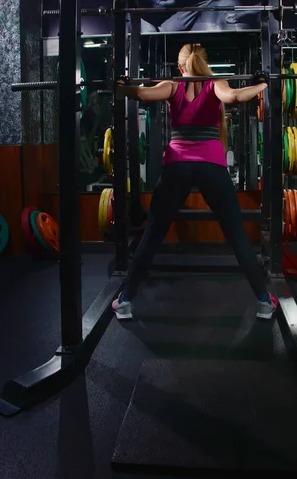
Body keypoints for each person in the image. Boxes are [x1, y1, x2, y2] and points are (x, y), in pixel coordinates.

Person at [112, 43, 278, 320]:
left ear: (180, 66)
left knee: (153, 233)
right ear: (203, 62)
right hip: (212, 167)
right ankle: (263, 301)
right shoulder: (216, 84)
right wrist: (263, 84)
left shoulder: (172, 85)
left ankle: (126, 300)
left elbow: (140, 93)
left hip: (177, 166)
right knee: (236, 235)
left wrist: (120, 86)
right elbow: (236, 97)